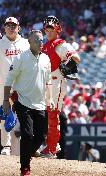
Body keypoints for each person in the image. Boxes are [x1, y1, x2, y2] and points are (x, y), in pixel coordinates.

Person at [3, 30, 54, 176]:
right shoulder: (20, 58)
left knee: (40, 136)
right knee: (27, 134)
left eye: (42, 39)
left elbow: (48, 81)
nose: (41, 42)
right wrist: (6, 101)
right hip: (23, 102)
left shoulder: (46, 58)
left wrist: (50, 98)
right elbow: (8, 81)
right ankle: (25, 168)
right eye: (37, 40)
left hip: (40, 104)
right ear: (29, 42)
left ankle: (27, 154)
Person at [0, 17, 29, 155]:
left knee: (26, 114)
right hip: (4, 85)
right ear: (4, 28)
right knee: (5, 114)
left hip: (23, 84)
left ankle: (29, 145)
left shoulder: (25, 43)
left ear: (18, 28)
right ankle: (6, 146)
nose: (10, 27)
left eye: (13, 25)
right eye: (8, 25)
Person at [41, 16, 81, 157]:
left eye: (52, 28)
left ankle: (51, 148)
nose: (49, 31)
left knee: (53, 115)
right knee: (44, 115)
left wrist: (66, 67)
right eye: (47, 28)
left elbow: (76, 58)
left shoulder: (61, 44)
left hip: (57, 81)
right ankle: (53, 144)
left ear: (57, 29)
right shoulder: (44, 45)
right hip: (46, 83)